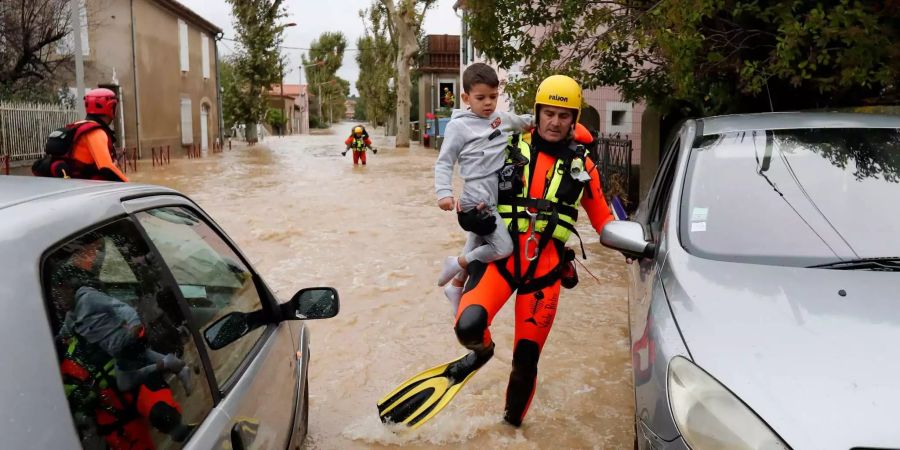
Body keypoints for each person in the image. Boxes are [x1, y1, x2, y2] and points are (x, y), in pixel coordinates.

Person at [378, 75, 614, 428]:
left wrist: (634, 246)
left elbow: (604, 222)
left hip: (544, 274)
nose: (554, 122)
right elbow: (464, 156)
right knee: (468, 327)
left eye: (564, 116)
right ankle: (482, 354)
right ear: (537, 112)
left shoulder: (584, 168)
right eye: (548, 113)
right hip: (499, 259)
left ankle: (510, 433)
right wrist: (457, 202)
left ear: (574, 120)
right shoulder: (507, 142)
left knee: (525, 363)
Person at [433, 63, 533, 315]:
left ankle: (456, 286)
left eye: (493, 97)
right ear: (466, 98)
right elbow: (445, 161)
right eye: (480, 98)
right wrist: (444, 192)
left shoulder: (499, 119)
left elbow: (522, 123)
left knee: (477, 240)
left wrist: (540, 119)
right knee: (503, 248)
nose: (488, 103)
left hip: (494, 193)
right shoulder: (458, 126)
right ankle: (456, 263)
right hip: (475, 195)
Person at [33, 88, 128, 181]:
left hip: (76, 184)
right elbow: (106, 167)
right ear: (111, 107)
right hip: (87, 187)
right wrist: (128, 185)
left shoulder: (78, 125)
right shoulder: (96, 132)